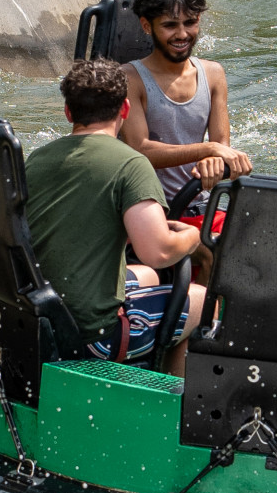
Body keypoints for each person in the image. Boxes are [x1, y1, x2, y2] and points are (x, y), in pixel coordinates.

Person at [24, 58, 206, 363]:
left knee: (147, 276)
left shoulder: (37, 158)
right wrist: (192, 237)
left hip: (40, 318)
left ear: (69, 112)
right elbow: (158, 252)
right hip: (93, 337)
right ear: (125, 109)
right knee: (201, 301)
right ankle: (171, 400)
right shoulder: (131, 164)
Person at [115, 0, 252, 232]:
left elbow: (222, 146)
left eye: (190, 23)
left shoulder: (213, 74)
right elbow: (140, 151)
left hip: (204, 207)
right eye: (170, 25)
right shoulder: (129, 78)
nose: (182, 34)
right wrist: (206, 150)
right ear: (147, 26)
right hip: (152, 215)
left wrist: (214, 161)